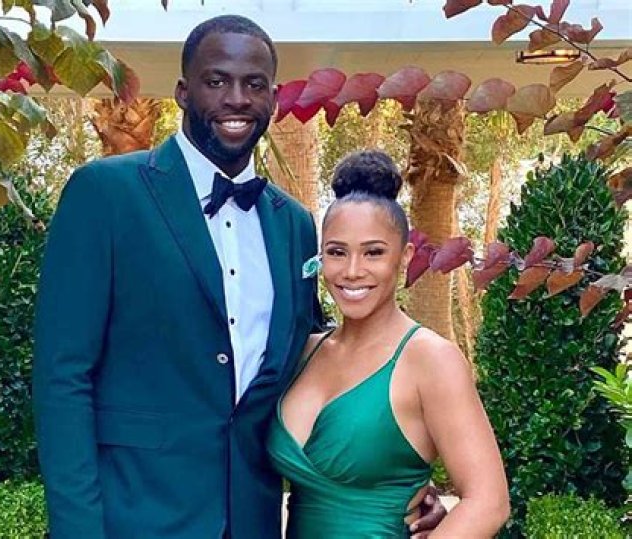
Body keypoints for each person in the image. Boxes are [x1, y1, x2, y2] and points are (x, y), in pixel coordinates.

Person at [33, 15, 445, 539]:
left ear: (272, 97)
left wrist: (391, 479)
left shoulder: (295, 225)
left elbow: (319, 366)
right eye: (216, 81)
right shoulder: (105, 194)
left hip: (253, 519)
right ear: (183, 92)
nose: (236, 99)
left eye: (254, 84)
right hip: (132, 517)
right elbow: (62, 376)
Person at [267, 150, 510, 538]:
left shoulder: (431, 359)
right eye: (337, 252)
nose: (352, 271)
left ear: (405, 256)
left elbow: (488, 502)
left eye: (374, 252)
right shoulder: (303, 351)